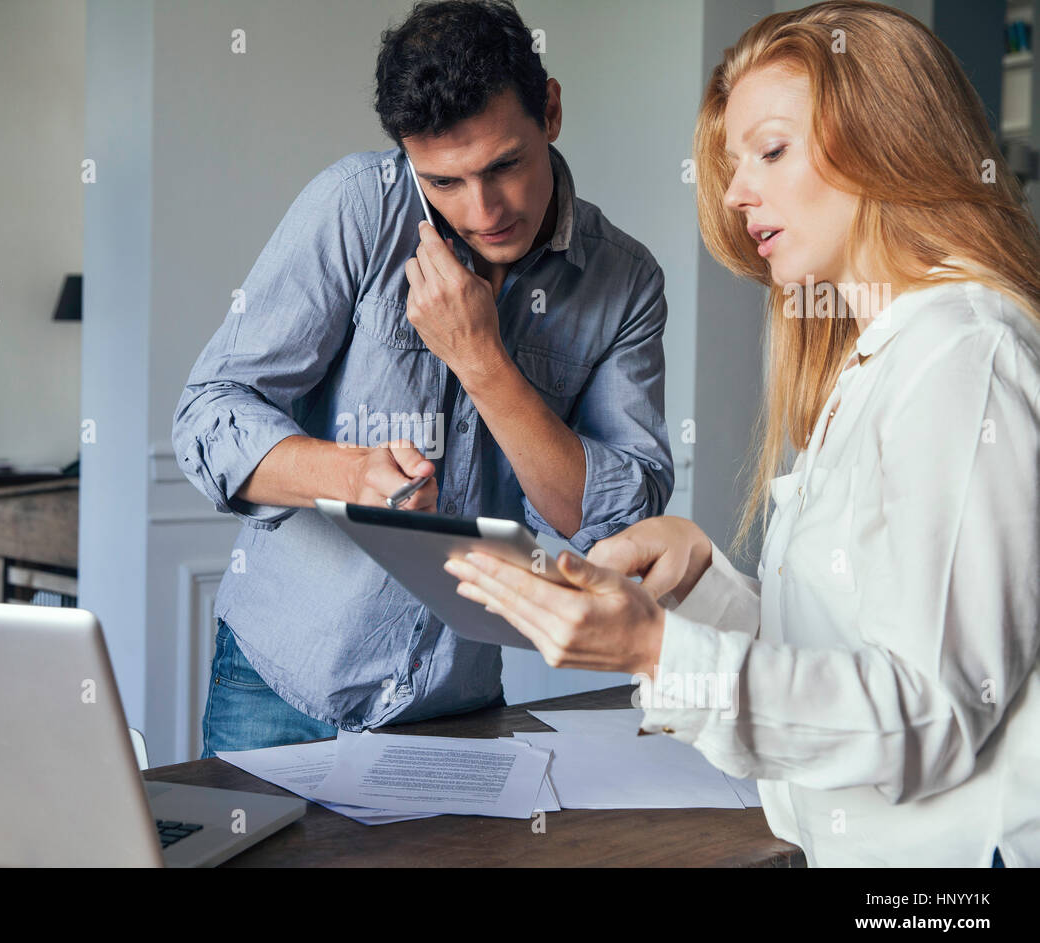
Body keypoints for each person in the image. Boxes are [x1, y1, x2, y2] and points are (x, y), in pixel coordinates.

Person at [446, 0, 1040, 867]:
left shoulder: (964, 357)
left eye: (771, 150)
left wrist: (655, 648)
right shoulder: (879, 356)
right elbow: (850, 661)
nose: (734, 193)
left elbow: (929, 717)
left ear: (887, 139)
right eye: (732, 163)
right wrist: (698, 589)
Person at [172, 0, 674, 757]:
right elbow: (207, 416)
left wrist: (481, 358)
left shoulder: (625, 281)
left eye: (505, 165)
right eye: (443, 182)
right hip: (277, 684)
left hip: (455, 703)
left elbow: (606, 517)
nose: (483, 210)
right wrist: (349, 474)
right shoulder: (356, 208)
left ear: (552, 110)